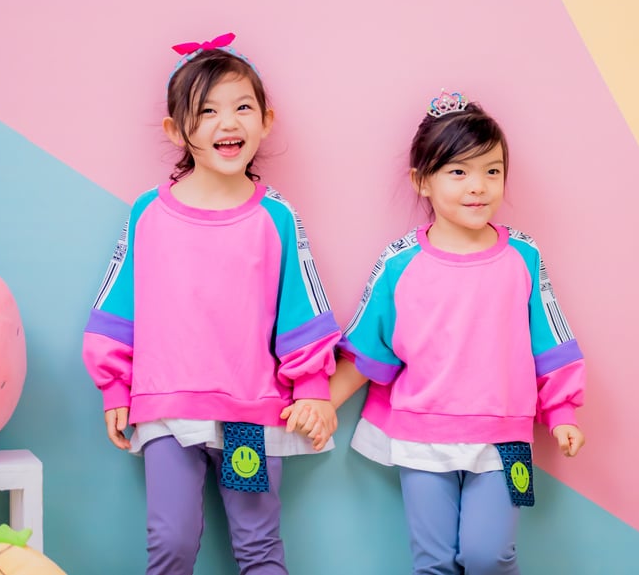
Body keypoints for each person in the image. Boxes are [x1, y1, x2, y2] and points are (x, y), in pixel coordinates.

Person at [290, 90, 586, 575]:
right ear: (422, 181)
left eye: (492, 171)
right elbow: (369, 349)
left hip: (503, 437)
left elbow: (550, 340)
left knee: (487, 556)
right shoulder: (400, 262)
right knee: (434, 564)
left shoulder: (523, 257)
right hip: (422, 435)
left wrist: (563, 412)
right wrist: (321, 399)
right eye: (459, 172)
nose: (479, 186)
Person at [82, 33, 339, 575]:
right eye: (206, 111)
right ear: (177, 129)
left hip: (251, 409)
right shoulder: (148, 213)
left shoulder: (277, 218)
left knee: (259, 546)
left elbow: (302, 306)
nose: (228, 123)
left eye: (243, 107)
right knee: (170, 544)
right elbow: (116, 305)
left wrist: (314, 388)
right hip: (166, 409)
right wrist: (114, 385)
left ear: (266, 119)